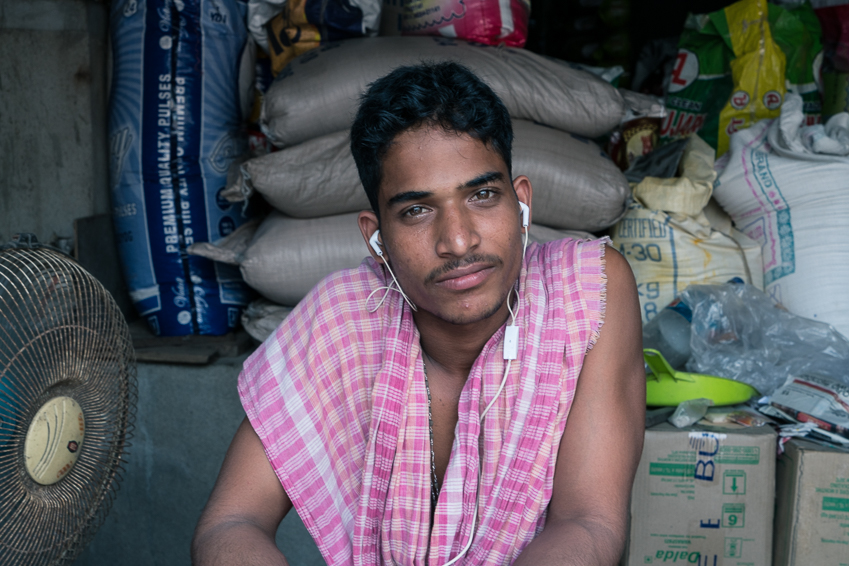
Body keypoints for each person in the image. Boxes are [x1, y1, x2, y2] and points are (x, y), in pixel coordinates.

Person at [192, 61, 645, 566]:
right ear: (376, 238)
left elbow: (589, 522)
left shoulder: (588, 290)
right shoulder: (343, 318)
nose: (458, 240)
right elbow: (232, 522)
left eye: (482, 195)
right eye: (416, 210)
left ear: (521, 204)